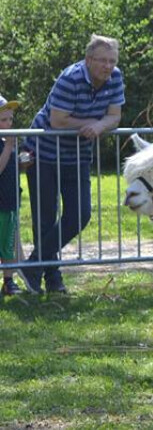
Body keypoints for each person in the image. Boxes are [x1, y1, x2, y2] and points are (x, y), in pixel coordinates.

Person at [21, 34, 125, 294]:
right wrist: (92, 123)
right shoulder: (71, 78)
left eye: (112, 61)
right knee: (45, 218)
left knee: (80, 214)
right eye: (102, 60)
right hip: (43, 152)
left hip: (77, 155)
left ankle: (33, 266)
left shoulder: (115, 77)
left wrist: (100, 126)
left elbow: (114, 116)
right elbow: (58, 121)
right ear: (88, 59)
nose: (108, 66)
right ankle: (52, 278)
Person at [0, 95, 23, 296]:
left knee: (8, 244)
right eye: (3, 120)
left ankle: (8, 281)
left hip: (9, 202)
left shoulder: (7, 142)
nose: (8, 124)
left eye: (10, 119)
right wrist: (8, 147)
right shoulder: (6, 143)